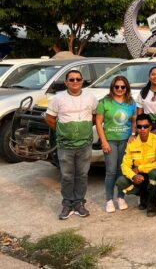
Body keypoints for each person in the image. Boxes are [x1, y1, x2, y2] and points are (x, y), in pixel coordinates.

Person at [46, 70, 98, 220]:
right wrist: (63, 131)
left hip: (85, 144)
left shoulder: (90, 97)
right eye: (72, 79)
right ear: (66, 82)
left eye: (78, 79)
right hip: (65, 146)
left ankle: (79, 203)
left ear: (82, 81)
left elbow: (95, 116)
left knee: (82, 175)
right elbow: (50, 118)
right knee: (67, 176)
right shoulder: (58, 98)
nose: (75, 82)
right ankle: (67, 204)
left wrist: (83, 129)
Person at [96, 76, 137, 213]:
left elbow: (134, 121)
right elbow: (98, 123)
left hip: (125, 141)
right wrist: (104, 141)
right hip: (111, 141)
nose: (119, 89)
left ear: (127, 88)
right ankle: (109, 200)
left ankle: (121, 197)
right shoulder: (105, 102)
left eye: (122, 87)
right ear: (112, 87)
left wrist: (132, 134)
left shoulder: (131, 103)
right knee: (111, 171)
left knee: (122, 170)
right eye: (117, 87)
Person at [116, 114, 156, 217]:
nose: (142, 129)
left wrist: (140, 168)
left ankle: (152, 204)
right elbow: (124, 165)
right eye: (139, 126)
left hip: (152, 173)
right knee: (121, 181)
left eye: (145, 126)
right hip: (138, 175)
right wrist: (133, 176)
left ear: (150, 127)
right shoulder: (132, 143)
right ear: (136, 128)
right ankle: (143, 196)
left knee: (154, 174)